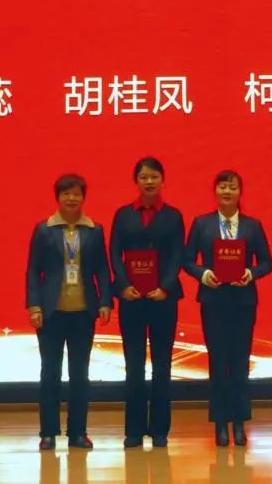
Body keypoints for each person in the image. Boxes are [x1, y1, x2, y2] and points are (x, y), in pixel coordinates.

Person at [184, 170, 272, 447]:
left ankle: (239, 422)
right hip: (213, 301)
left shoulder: (252, 225)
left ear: (240, 192)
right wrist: (203, 274)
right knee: (217, 362)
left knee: (239, 362)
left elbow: (267, 262)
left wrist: (250, 273)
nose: (227, 191)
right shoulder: (202, 224)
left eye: (232, 187)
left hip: (243, 302)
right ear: (215, 191)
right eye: (222, 186)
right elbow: (187, 261)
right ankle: (220, 423)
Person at [25, 173, 113, 450]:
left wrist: (105, 302)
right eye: (66, 194)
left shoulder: (94, 230)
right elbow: (33, 271)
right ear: (58, 197)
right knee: (50, 373)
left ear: (83, 197)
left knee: (80, 375)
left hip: (83, 312)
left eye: (76, 194)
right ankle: (48, 433)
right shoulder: (44, 230)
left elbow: (102, 270)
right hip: (51, 313)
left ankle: (78, 432)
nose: (71, 198)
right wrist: (34, 306)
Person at [110, 156, 186, 448]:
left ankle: (159, 430)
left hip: (162, 299)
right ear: (136, 181)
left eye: (154, 176)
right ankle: (133, 430)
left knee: (162, 365)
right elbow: (114, 253)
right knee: (133, 365)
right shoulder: (123, 215)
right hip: (131, 299)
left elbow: (178, 254)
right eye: (144, 177)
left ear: (162, 180)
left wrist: (165, 286)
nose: (149, 181)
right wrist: (123, 285)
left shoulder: (173, 216)